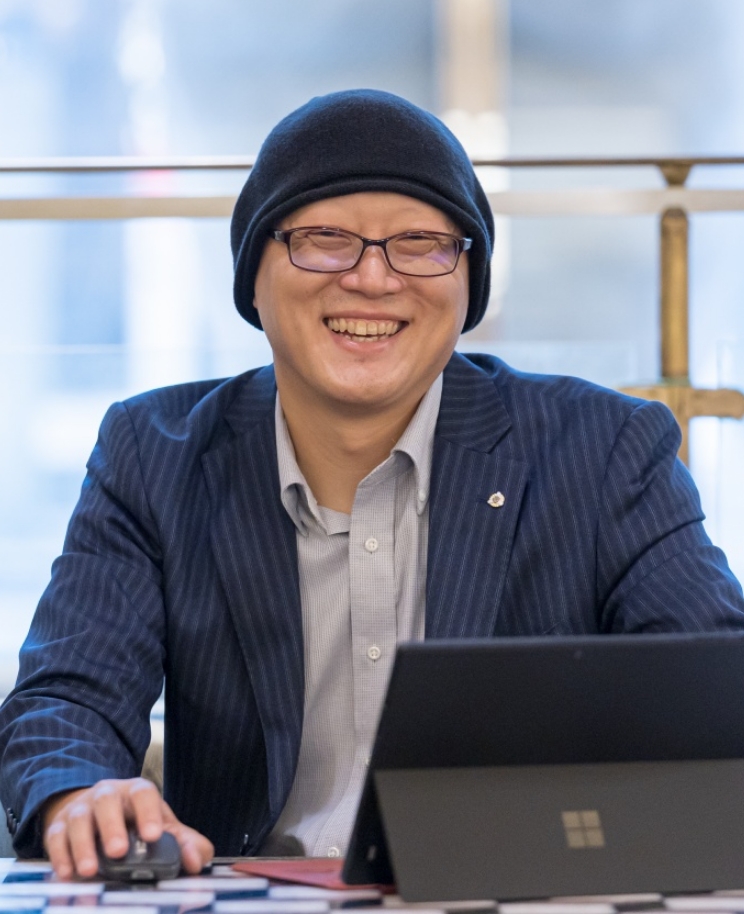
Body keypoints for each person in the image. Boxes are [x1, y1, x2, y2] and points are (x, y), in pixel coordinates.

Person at [1, 89, 743, 878]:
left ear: (468, 283)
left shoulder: (602, 451)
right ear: (253, 276)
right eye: (325, 240)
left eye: (421, 244)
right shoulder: (154, 455)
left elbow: (717, 694)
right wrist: (76, 794)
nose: (372, 278)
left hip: (514, 890)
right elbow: (65, 701)